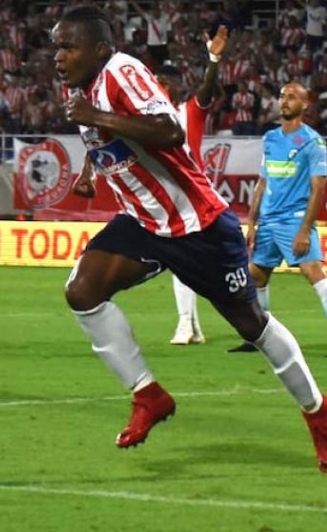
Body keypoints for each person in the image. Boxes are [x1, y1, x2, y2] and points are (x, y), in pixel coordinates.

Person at [53, 7, 327, 472]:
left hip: (198, 225)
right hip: (144, 223)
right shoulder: (81, 92)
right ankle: (148, 394)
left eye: (69, 46)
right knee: (82, 291)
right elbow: (107, 142)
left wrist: (97, 115)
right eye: (56, 47)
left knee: (252, 324)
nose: (59, 56)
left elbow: (168, 131)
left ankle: (318, 412)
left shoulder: (120, 72)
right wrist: (90, 166)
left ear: (100, 49)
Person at [226, 81, 327, 359]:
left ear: (305, 105)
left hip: (294, 221)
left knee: (315, 275)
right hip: (268, 223)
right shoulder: (270, 138)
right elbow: (262, 182)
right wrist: (252, 222)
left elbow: (318, 188)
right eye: (282, 96)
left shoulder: (312, 141)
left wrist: (305, 230)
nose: (284, 101)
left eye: (291, 97)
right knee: (256, 278)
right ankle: (258, 337)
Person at [125, 26, 227, 346]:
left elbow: (207, 92)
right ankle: (189, 325)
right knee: (181, 259)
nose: (158, 87)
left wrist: (213, 59)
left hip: (192, 194)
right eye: (156, 82)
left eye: (164, 83)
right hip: (166, 196)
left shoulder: (188, 112)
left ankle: (197, 322)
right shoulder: (147, 120)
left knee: (194, 262)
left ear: (178, 88)